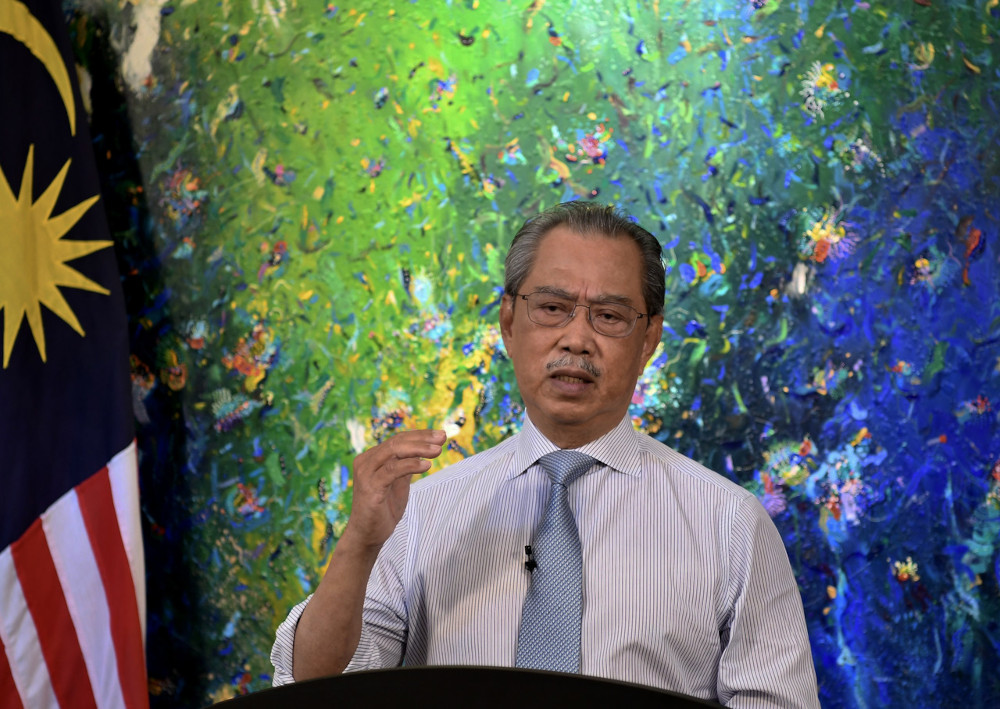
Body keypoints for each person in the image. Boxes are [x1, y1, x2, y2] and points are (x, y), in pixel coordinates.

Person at [271, 202, 819, 707]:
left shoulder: (729, 523)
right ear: (509, 322)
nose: (576, 339)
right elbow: (312, 689)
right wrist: (360, 544)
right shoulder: (417, 514)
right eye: (553, 308)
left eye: (609, 316)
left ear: (649, 339)